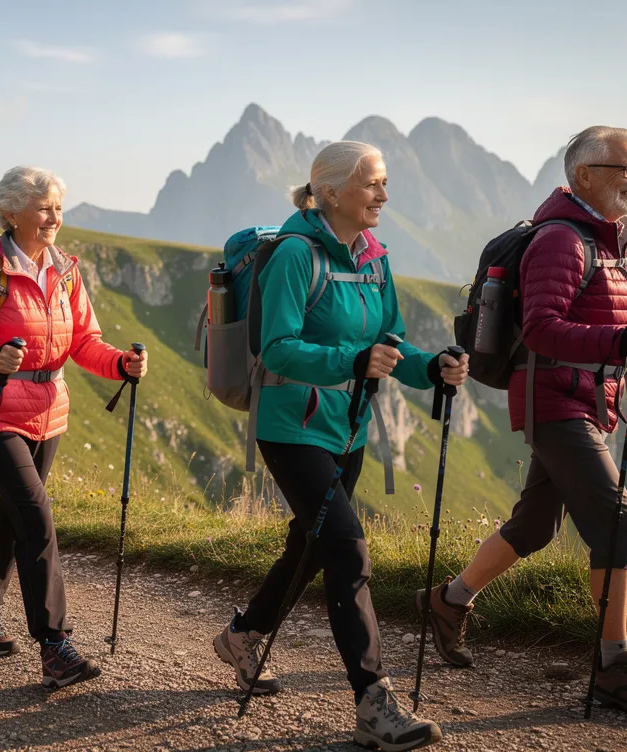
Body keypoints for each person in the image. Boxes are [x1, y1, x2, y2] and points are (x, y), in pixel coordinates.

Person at [417, 126, 627, 718]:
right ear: (585, 175)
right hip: (554, 400)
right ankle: (613, 665)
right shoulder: (560, 242)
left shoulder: (618, 243)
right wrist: (618, 342)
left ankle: (448, 600)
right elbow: (540, 329)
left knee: (535, 525)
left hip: (590, 400)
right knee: (617, 523)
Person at [212, 141, 466, 751]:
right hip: (291, 425)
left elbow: (390, 341)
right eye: (371, 183)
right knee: (348, 551)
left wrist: (431, 368)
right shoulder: (295, 255)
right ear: (328, 191)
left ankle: (242, 635)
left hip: (348, 426)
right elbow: (276, 348)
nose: (383, 194)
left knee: (311, 545)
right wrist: (351, 360)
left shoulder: (375, 258)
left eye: (384, 182)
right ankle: (374, 704)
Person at [0, 166, 147, 689]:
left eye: (57, 207)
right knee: (35, 516)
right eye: (43, 208)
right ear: (12, 213)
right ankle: (54, 645)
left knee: (14, 516)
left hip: (49, 412)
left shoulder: (66, 271)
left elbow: (84, 341)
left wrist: (120, 363)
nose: (54, 217)